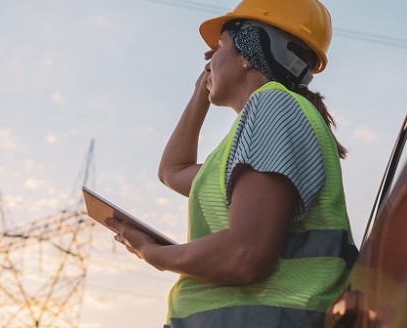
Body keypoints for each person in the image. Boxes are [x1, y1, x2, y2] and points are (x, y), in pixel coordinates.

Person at [106, 0, 358, 326]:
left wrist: (155, 255)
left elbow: (245, 255)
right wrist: (201, 91)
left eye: (219, 46)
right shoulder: (248, 137)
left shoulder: (274, 106)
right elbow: (173, 171)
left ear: (249, 54)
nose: (208, 58)